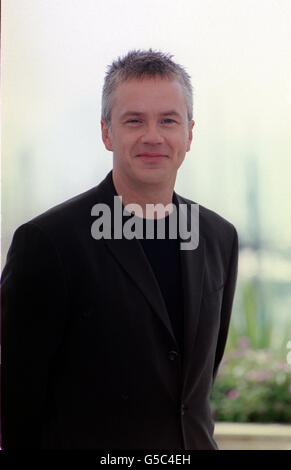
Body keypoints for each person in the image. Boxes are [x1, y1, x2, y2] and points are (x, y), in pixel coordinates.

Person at [1, 49, 239, 450]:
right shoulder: (47, 243)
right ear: (107, 132)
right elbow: (15, 403)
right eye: (134, 121)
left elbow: (194, 386)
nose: (153, 136)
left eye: (168, 120)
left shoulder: (219, 237)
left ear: (190, 134)